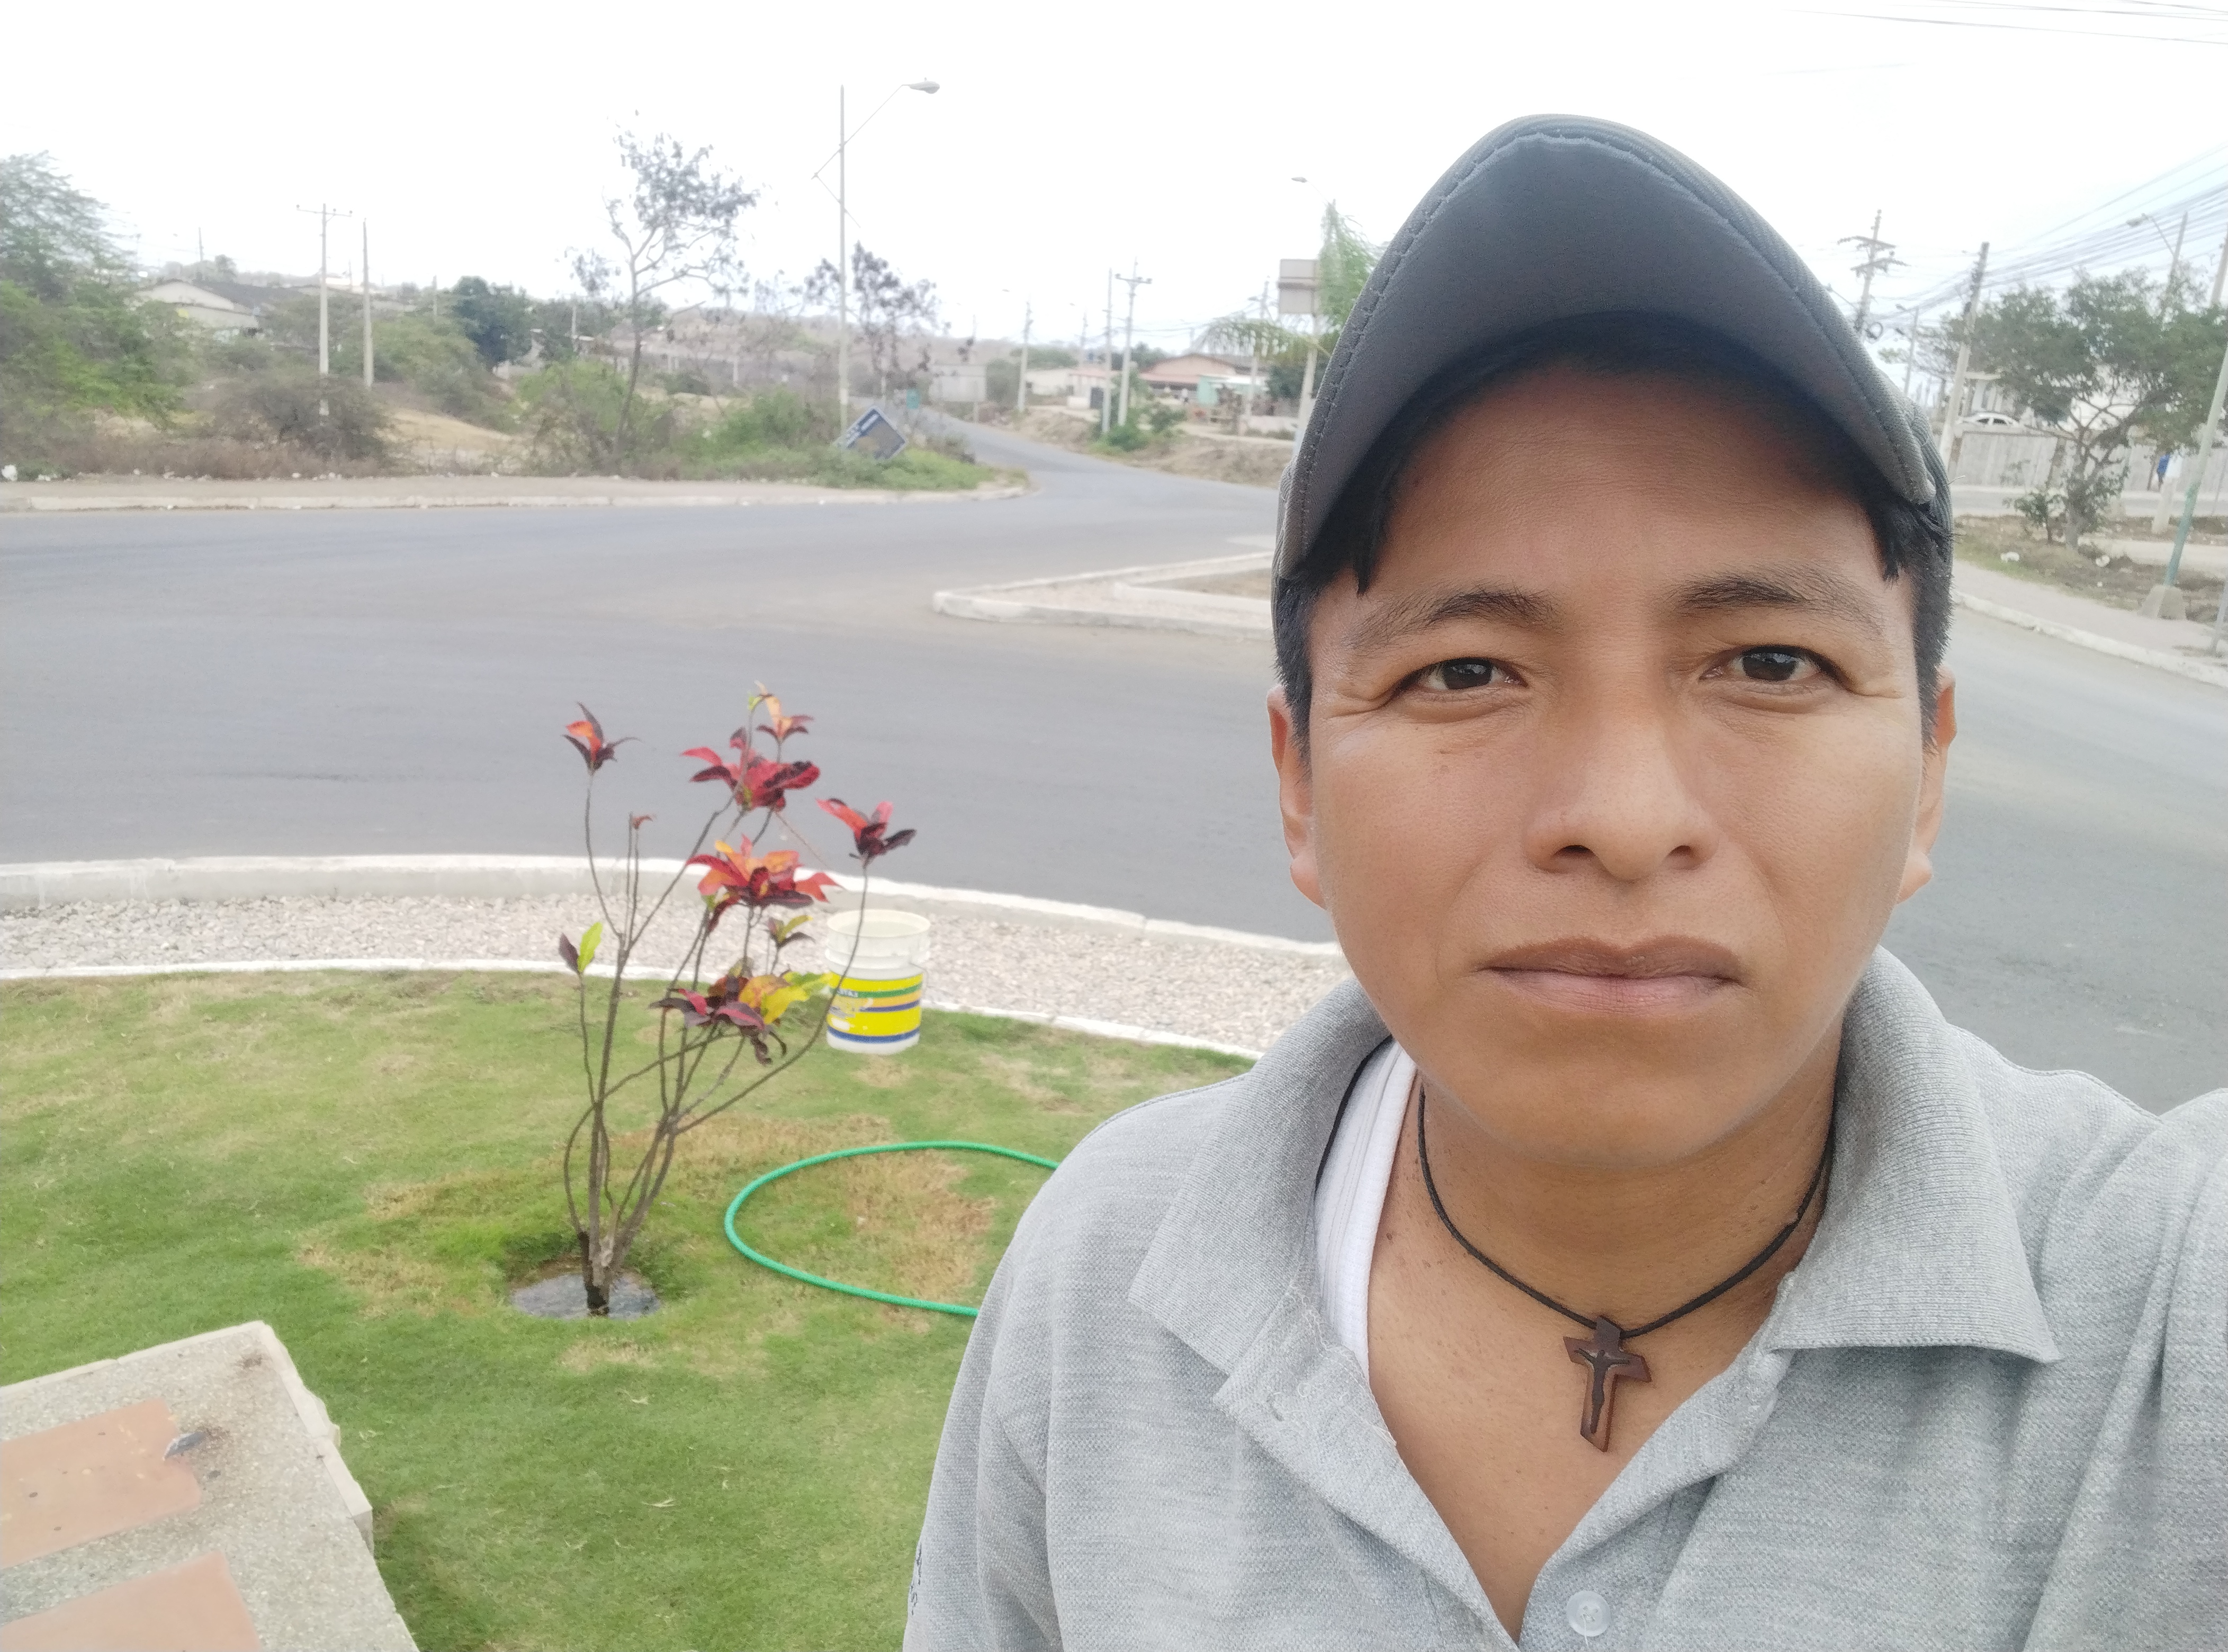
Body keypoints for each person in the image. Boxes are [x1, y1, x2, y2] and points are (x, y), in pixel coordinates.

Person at [905, 118, 2226, 1650]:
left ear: (1926, 772)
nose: (1622, 820)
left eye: (1770, 663)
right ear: (1301, 784)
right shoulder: (1104, 1271)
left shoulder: (2169, 1305)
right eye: (1466, 670)